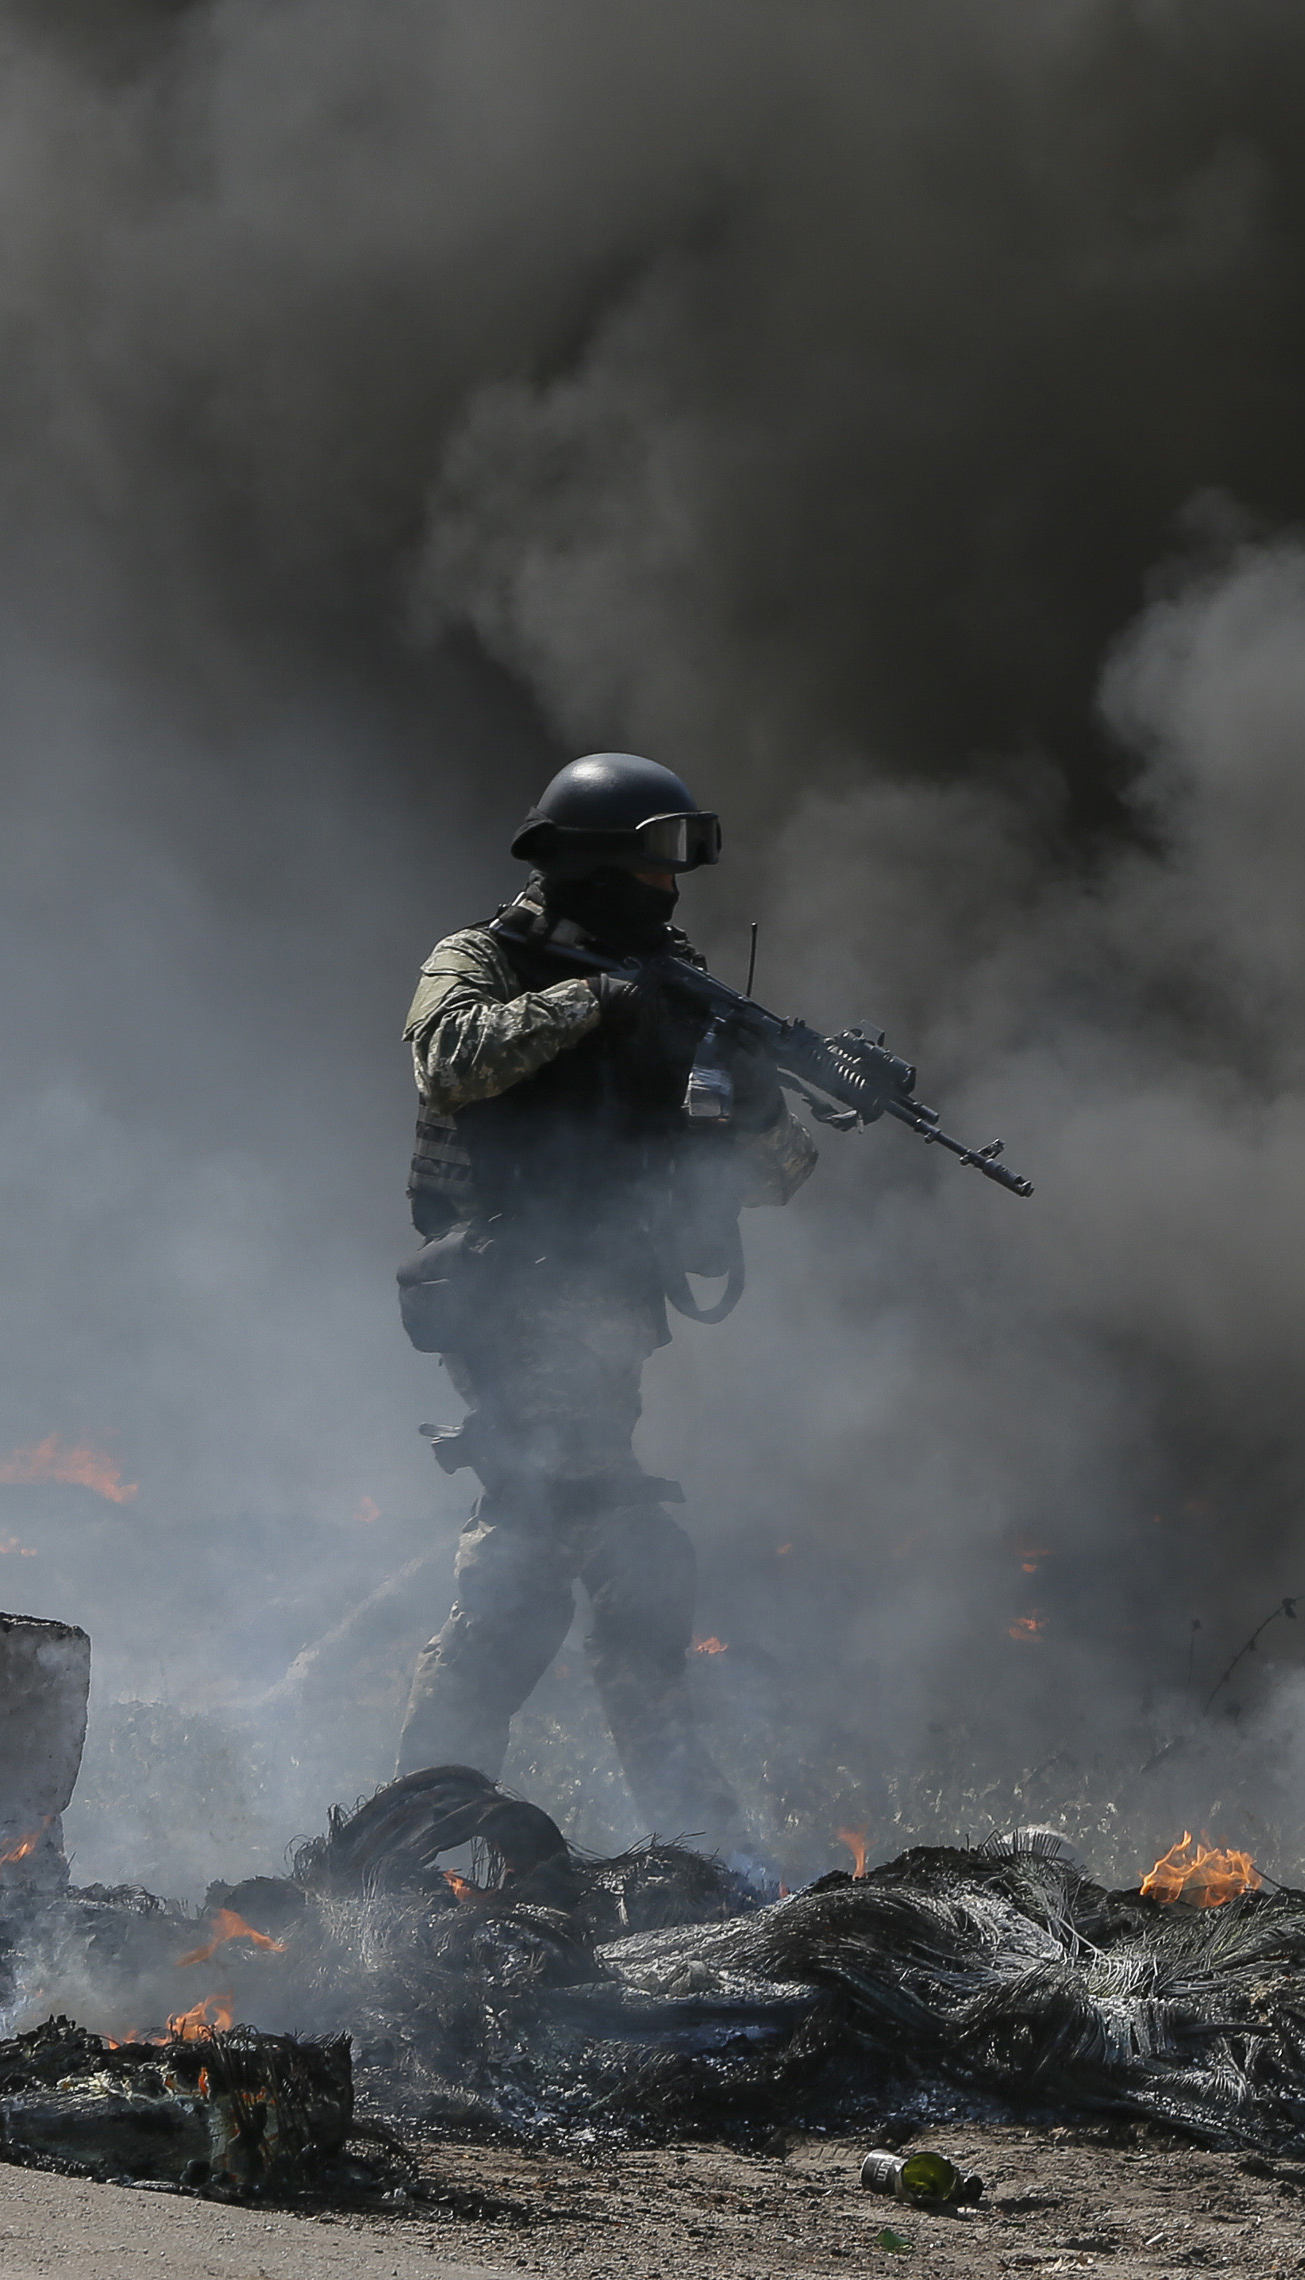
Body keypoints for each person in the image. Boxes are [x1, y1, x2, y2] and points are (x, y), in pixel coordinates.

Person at [390, 752, 812, 1846]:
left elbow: (776, 1177)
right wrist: (595, 1001)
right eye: (649, 861)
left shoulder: (675, 987)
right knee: (588, 1565)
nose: (668, 886)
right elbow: (448, 1059)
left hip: (603, 1317)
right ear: (584, 862)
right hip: (505, 1298)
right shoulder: (480, 958)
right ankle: (678, 1835)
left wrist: (741, 1096)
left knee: (563, 1566)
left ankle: (447, 1821)